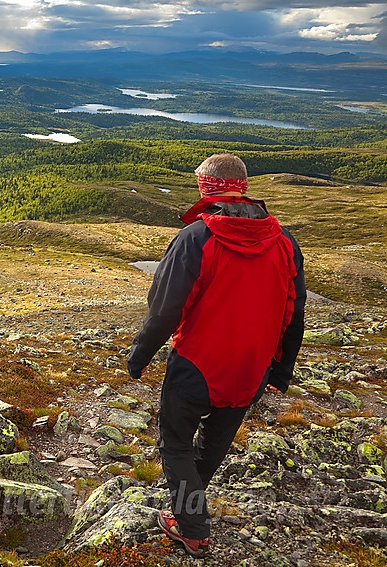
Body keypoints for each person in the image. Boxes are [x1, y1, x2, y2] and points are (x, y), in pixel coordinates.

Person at [126, 153, 305, 558]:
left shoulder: (196, 238)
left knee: (175, 442)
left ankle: (192, 528)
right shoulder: (284, 242)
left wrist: (139, 357)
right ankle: (189, 507)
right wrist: (280, 373)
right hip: (251, 370)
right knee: (213, 444)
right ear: (242, 187)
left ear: (207, 187)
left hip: (196, 365)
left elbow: (164, 309)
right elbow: (294, 312)